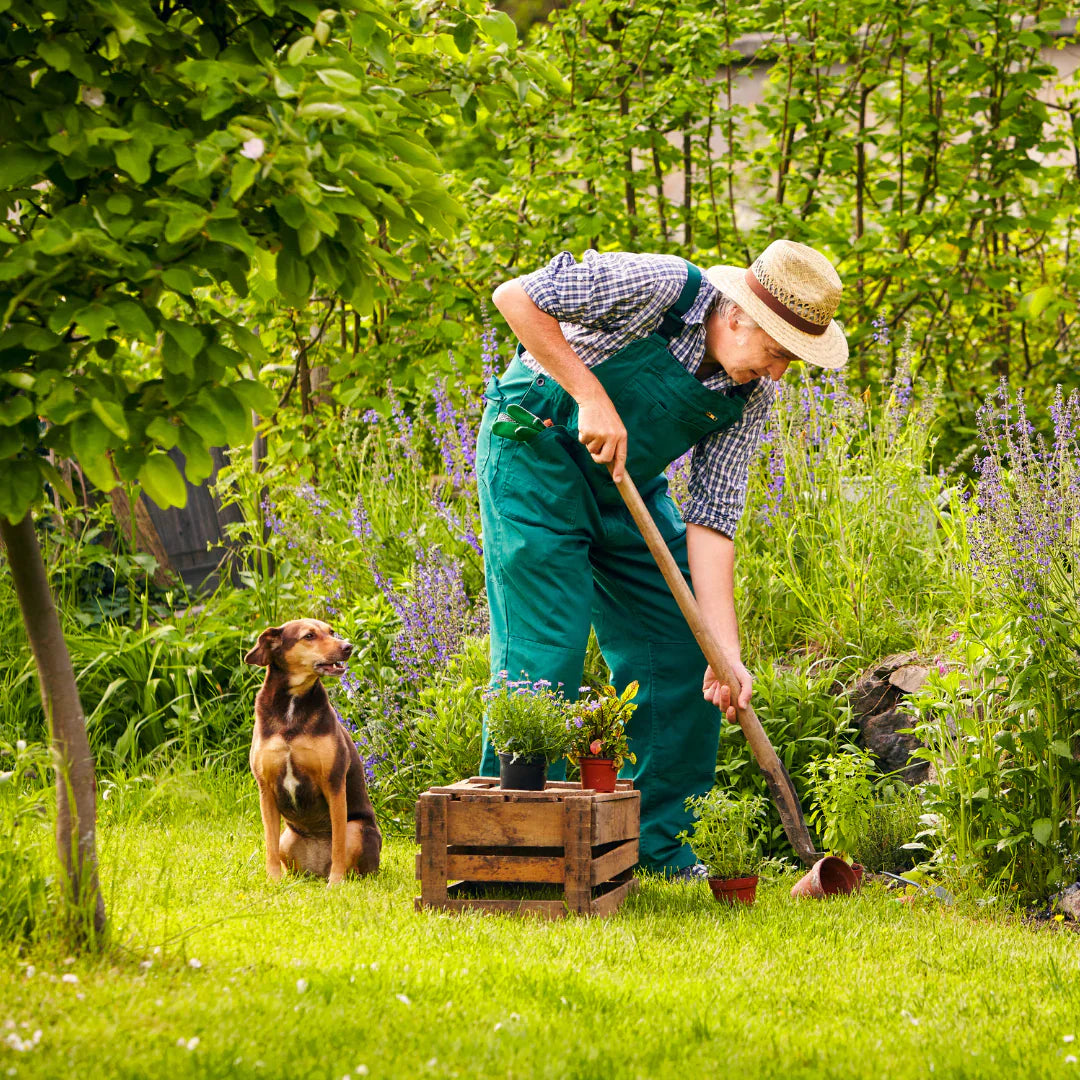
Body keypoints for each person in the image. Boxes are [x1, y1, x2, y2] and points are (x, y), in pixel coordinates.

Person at [476, 240, 848, 877]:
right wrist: (590, 395)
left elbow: (713, 520)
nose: (780, 373)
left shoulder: (745, 395)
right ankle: (516, 849)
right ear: (736, 316)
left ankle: (651, 845)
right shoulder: (659, 286)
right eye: (778, 352)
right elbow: (516, 297)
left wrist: (724, 654)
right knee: (546, 657)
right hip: (533, 459)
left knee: (684, 650)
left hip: (626, 487)